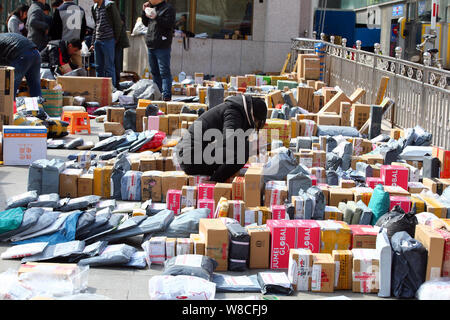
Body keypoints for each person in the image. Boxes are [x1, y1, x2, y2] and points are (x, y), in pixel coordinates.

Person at [174, 96, 268, 183]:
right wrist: (252, 146)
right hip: (190, 157)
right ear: (254, 116)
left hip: (193, 153)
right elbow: (229, 140)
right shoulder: (233, 112)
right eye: (257, 123)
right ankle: (214, 184)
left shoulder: (239, 111)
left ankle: (216, 181)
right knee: (242, 153)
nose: (255, 126)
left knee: (241, 151)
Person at [142, 0, 176, 102]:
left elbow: (169, 24)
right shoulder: (152, 8)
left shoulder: (168, 8)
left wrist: (156, 16)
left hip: (162, 45)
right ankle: (157, 94)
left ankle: (166, 95)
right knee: (154, 72)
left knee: (164, 72)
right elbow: (145, 23)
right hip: (151, 44)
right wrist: (144, 11)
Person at [90, 0, 127, 87]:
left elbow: (117, 23)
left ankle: (111, 88)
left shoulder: (109, 5)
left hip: (108, 40)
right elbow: (96, 25)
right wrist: (93, 42)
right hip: (98, 40)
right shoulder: (95, 8)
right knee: (98, 67)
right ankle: (100, 87)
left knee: (109, 66)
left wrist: (115, 39)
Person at [0, 33, 42, 98]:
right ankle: (38, 106)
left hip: (22, 55)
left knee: (10, 89)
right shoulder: (3, 37)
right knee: (35, 88)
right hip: (35, 53)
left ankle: (8, 107)